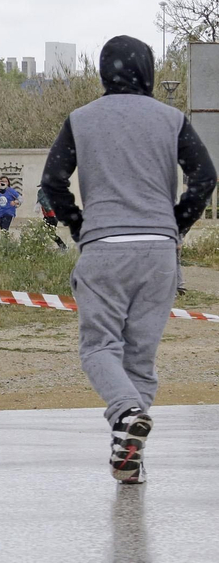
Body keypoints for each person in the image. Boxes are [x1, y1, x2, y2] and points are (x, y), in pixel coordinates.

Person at [41, 34, 216, 484]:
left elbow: (52, 183)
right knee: (139, 359)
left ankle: (126, 414)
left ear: (104, 71)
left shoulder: (80, 120)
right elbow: (205, 177)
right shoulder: (172, 119)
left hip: (104, 249)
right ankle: (129, 457)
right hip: (158, 252)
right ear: (149, 70)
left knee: (100, 347)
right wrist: (175, 225)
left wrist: (80, 226)